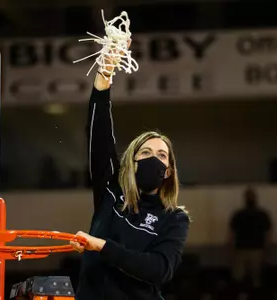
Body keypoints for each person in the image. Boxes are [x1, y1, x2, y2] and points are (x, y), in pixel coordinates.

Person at [70, 42, 190, 300]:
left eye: (161, 155)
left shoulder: (174, 218)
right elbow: (100, 135)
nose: (153, 159)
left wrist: (102, 246)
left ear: (168, 171)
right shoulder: (111, 192)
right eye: (145, 153)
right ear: (132, 162)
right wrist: (104, 77)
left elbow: (159, 269)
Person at [229, 187, 272, 287]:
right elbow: (232, 233)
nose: (250, 198)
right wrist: (230, 249)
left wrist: (267, 249)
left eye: (251, 196)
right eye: (249, 196)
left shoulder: (262, 215)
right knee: (239, 278)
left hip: (256, 250)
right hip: (241, 250)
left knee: (255, 278)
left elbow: (268, 234)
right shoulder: (239, 215)